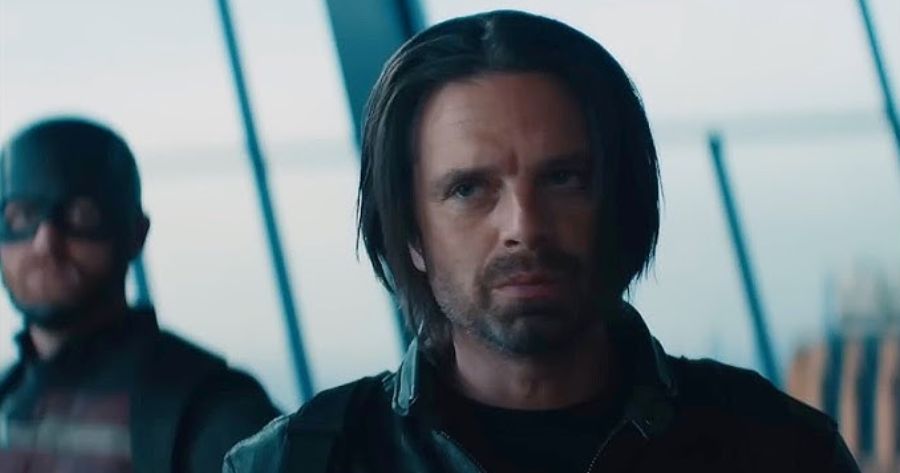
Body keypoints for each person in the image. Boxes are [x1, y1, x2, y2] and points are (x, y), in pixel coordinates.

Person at [224, 10, 859, 473]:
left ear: (620, 202)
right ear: (411, 232)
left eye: (562, 178)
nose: (524, 226)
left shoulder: (776, 448)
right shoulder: (296, 463)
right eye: (469, 189)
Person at [0, 117, 280, 473]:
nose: (45, 242)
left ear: (135, 234)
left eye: (80, 215)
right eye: (22, 216)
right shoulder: (10, 398)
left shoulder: (211, 409)